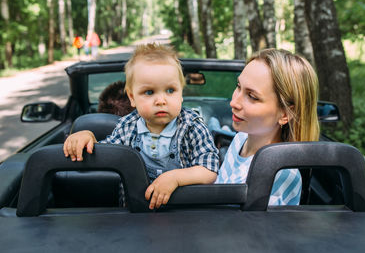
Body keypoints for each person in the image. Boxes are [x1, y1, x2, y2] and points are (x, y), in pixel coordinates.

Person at [63, 43, 219, 209]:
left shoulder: (192, 126)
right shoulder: (127, 127)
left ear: (181, 94)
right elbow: (106, 153)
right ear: (132, 97)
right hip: (135, 212)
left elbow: (209, 169)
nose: (161, 100)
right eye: (149, 92)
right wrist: (87, 136)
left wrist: (175, 178)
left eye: (170, 90)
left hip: (187, 212)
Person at [215, 48, 320, 206]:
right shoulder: (241, 138)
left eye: (252, 96)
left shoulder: (281, 174)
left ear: (285, 114)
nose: (233, 102)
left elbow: (251, 229)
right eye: (238, 87)